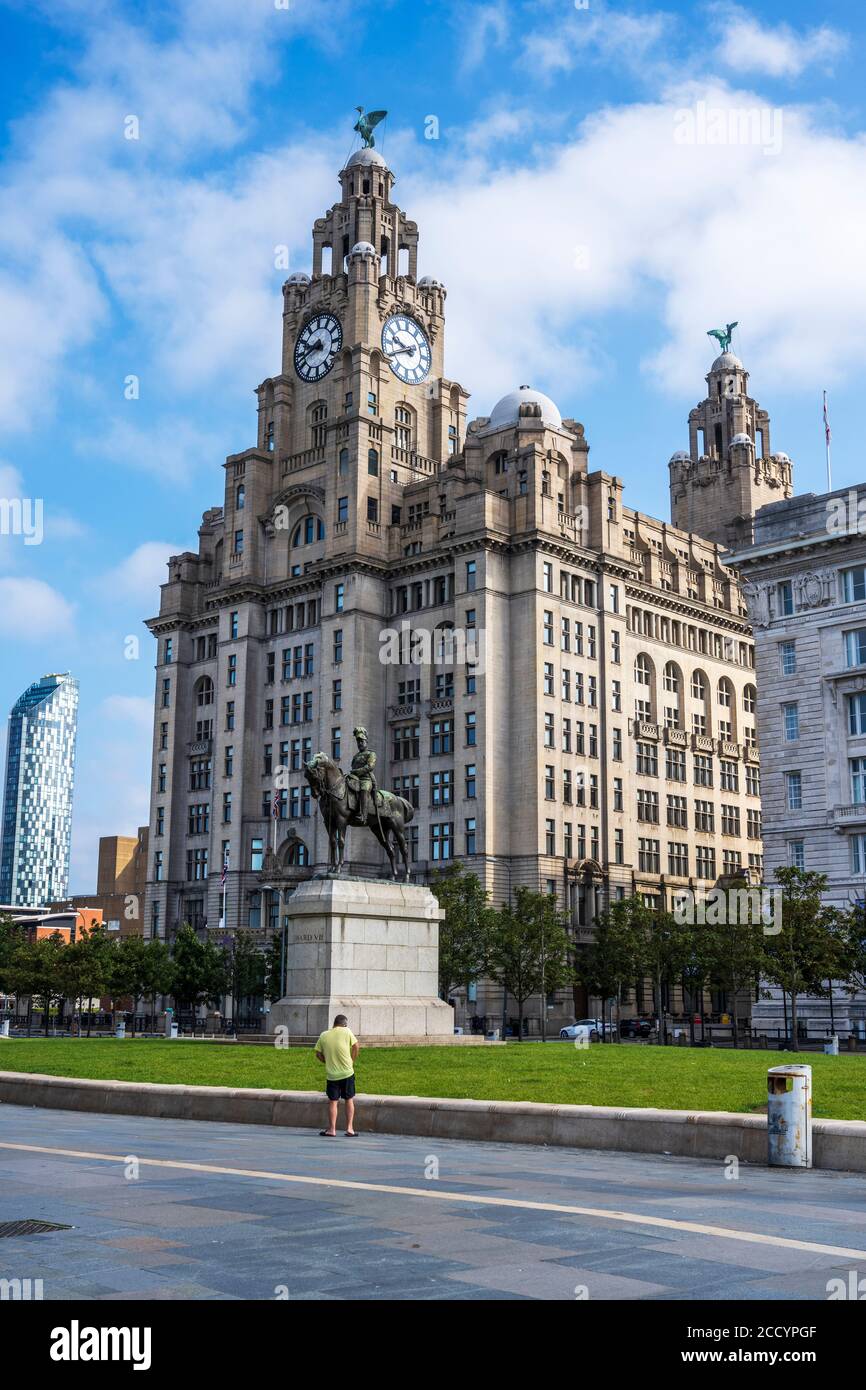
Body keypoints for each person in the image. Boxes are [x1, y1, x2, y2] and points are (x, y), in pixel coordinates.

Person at [314, 1013, 360, 1137]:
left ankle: (332, 1129)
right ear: (344, 1024)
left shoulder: (324, 1035)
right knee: (349, 1099)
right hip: (347, 1072)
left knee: (333, 1101)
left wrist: (326, 1061)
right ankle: (350, 1128)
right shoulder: (347, 1031)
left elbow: (317, 1053)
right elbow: (356, 1046)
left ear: (334, 1024)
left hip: (332, 1074)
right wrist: (352, 1060)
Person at [346, 725, 377, 823]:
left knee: (364, 789)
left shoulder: (371, 754)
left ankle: (363, 815)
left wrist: (357, 772)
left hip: (366, 779)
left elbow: (370, 766)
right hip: (354, 779)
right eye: (358, 742)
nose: (360, 743)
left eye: (361, 741)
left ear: (366, 742)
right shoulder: (355, 756)